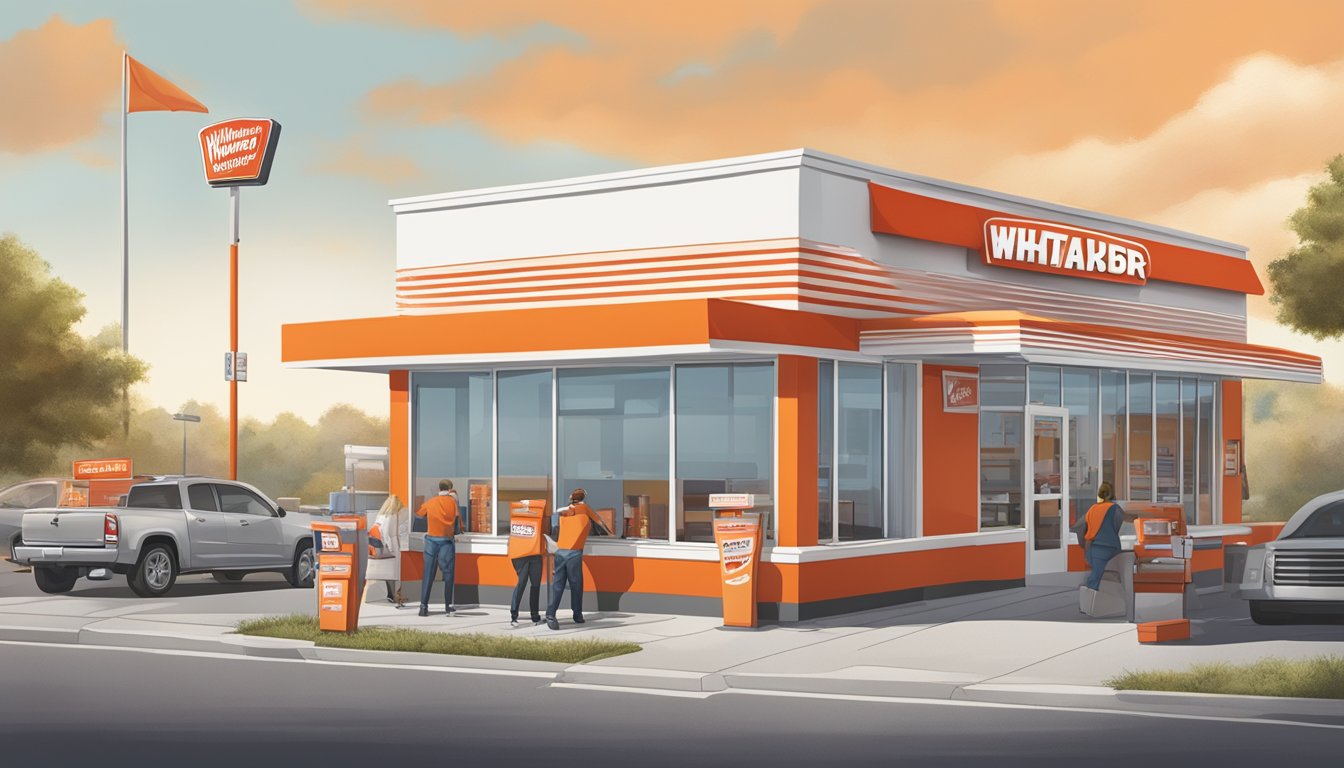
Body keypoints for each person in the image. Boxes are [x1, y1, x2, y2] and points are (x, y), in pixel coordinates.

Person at [545, 488, 609, 630]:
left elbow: (557, 531)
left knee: (558, 586)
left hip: (560, 552)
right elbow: (599, 522)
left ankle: (550, 614)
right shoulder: (585, 509)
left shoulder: (564, 513)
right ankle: (577, 615)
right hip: (574, 553)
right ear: (583, 499)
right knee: (576, 585)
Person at [1081, 481, 1150, 592]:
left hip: (1092, 548)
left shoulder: (1092, 509)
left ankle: (1092, 601)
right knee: (1107, 577)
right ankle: (1099, 600)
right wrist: (1145, 514)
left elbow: (1088, 530)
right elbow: (1130, 519)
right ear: (1112, 494)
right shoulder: (1114, 508)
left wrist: (1087, 553)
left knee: (1096, 576)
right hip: (1109, 548)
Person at [414, 480, 460, 617]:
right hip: (446, 541)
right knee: (448, 574)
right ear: (450, 489)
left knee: (428, 574)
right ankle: (447, 606)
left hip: (431, 541)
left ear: (439, 488)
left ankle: (423, 607)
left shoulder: (431, 501)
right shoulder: (452, 502)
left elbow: (419, 514)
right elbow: (457, 519)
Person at [363, 494, 407, 607]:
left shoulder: (381, 515)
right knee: (394, 573)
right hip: (392, 545)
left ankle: (392, 595)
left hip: (384, 546)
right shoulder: (392, 516)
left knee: (389, 573)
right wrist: (390, 547)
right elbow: (387, 532)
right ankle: (394, 595)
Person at [507, 502, 545, 627]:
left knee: (534, 585)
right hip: (522, 555)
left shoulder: (538, 519)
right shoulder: (518, 518)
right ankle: (514, 615)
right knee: (523, 583)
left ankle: (535, 615)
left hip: (533, 554)